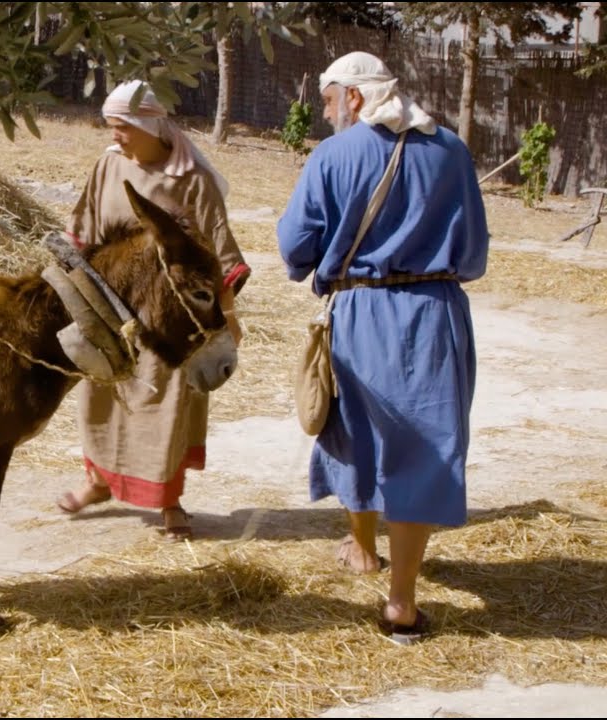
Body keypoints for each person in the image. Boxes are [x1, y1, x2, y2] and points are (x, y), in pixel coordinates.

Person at [277, 52, 489, 643]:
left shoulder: (334, 155)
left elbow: (295, 249)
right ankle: (401, 603)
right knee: (425, 447)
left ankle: (365, 549)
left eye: (326, 100)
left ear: (352, 98)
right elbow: (472, 253)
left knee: (356, 433)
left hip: (361, 314)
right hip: (436, 315)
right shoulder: (450, 149)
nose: (323, 113)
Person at [56, 80, 249, 540]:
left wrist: (227, 317)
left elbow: (218, 254)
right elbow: (82, 226)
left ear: (148, 124)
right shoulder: (109, 163)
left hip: (171, 320)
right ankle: (98, 482)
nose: (116, 136)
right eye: (112, 127)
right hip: (111, 305)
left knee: (168, 406)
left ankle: (169, 502)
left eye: (122, 127)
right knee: (103, 397)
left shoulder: (193, 181)